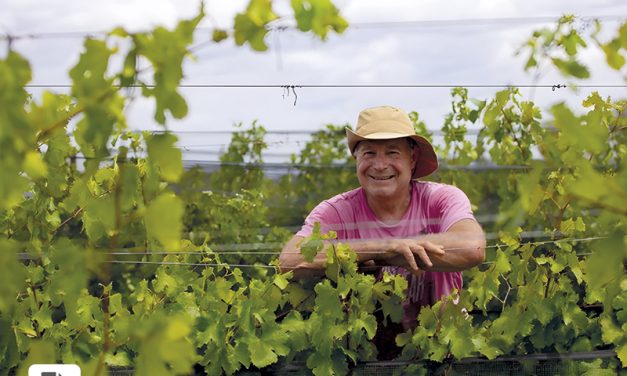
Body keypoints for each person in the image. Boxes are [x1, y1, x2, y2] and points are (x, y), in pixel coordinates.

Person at [279, 105, 485, 355]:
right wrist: (382, 247)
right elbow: (290, 261)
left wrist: (390, 253)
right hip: (363, 362)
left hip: (442, 357)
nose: (380, 165)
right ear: (357, 160)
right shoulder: (337, 210)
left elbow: (471, 248)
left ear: (412, 159)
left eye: (392, 153)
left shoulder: (441, 199)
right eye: (369, 153)